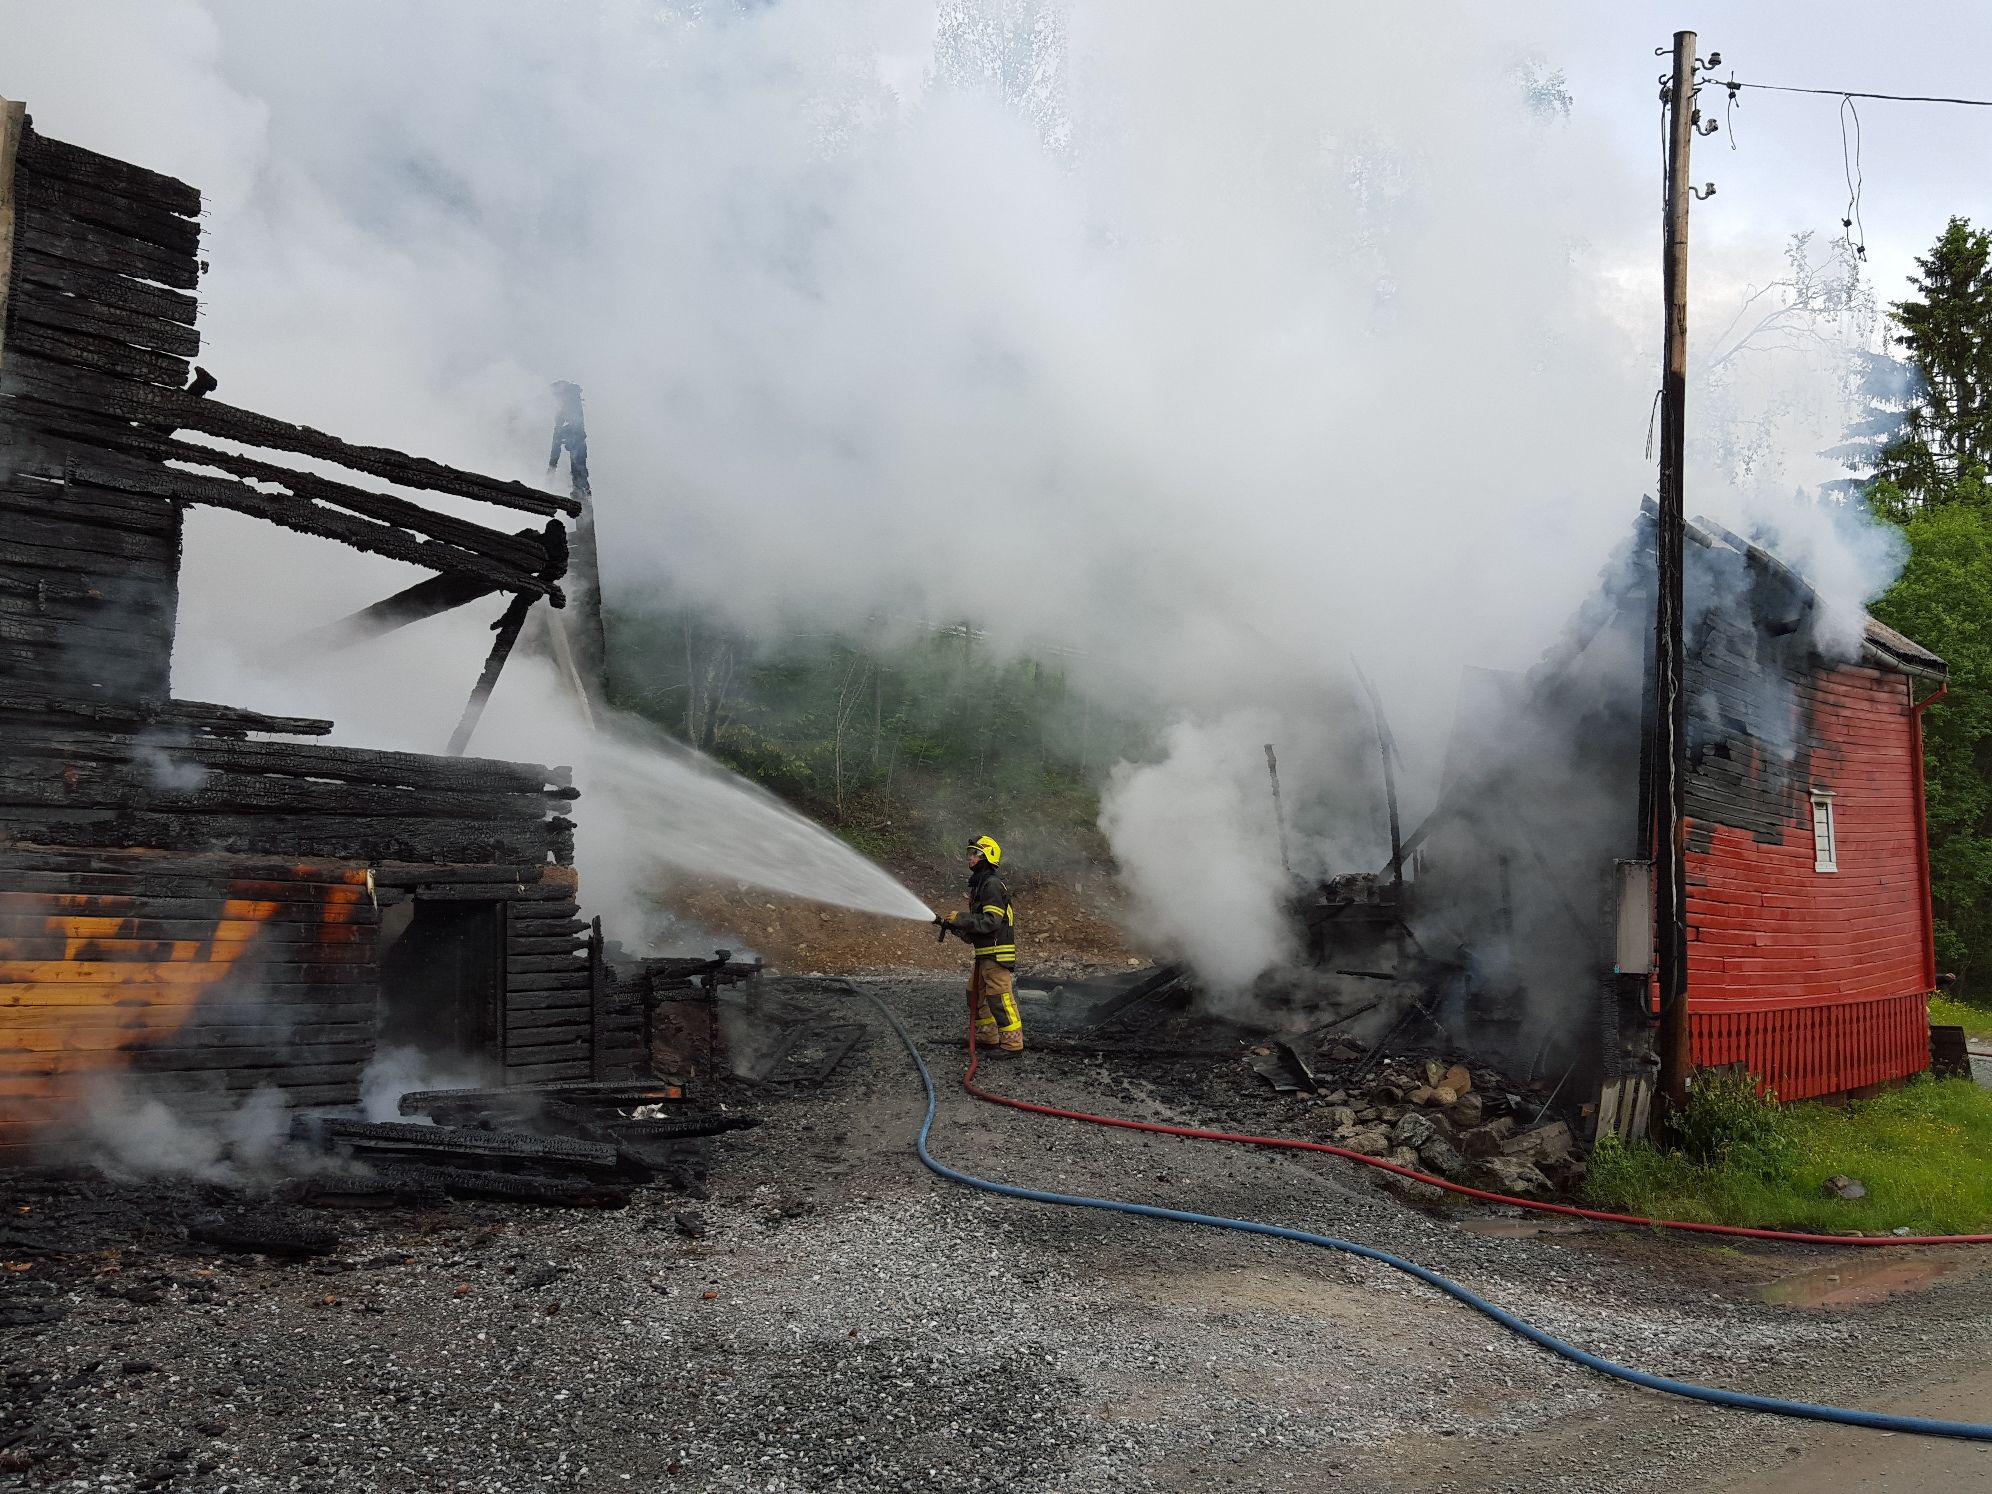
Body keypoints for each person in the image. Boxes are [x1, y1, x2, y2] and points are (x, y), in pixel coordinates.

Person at [939, 835, 1023, 1054]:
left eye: (975, 853)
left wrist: (961, 918)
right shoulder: (980, 886)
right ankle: (987, 1037)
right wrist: (954, 926)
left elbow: (991, 922)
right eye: (970, 853)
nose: (970, 857)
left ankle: (1012, 1045)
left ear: (988, 856)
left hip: (997, 953)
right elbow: (976, 929)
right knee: (974, 994)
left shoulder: (992, 884)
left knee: (999, 998)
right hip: (985, 953)